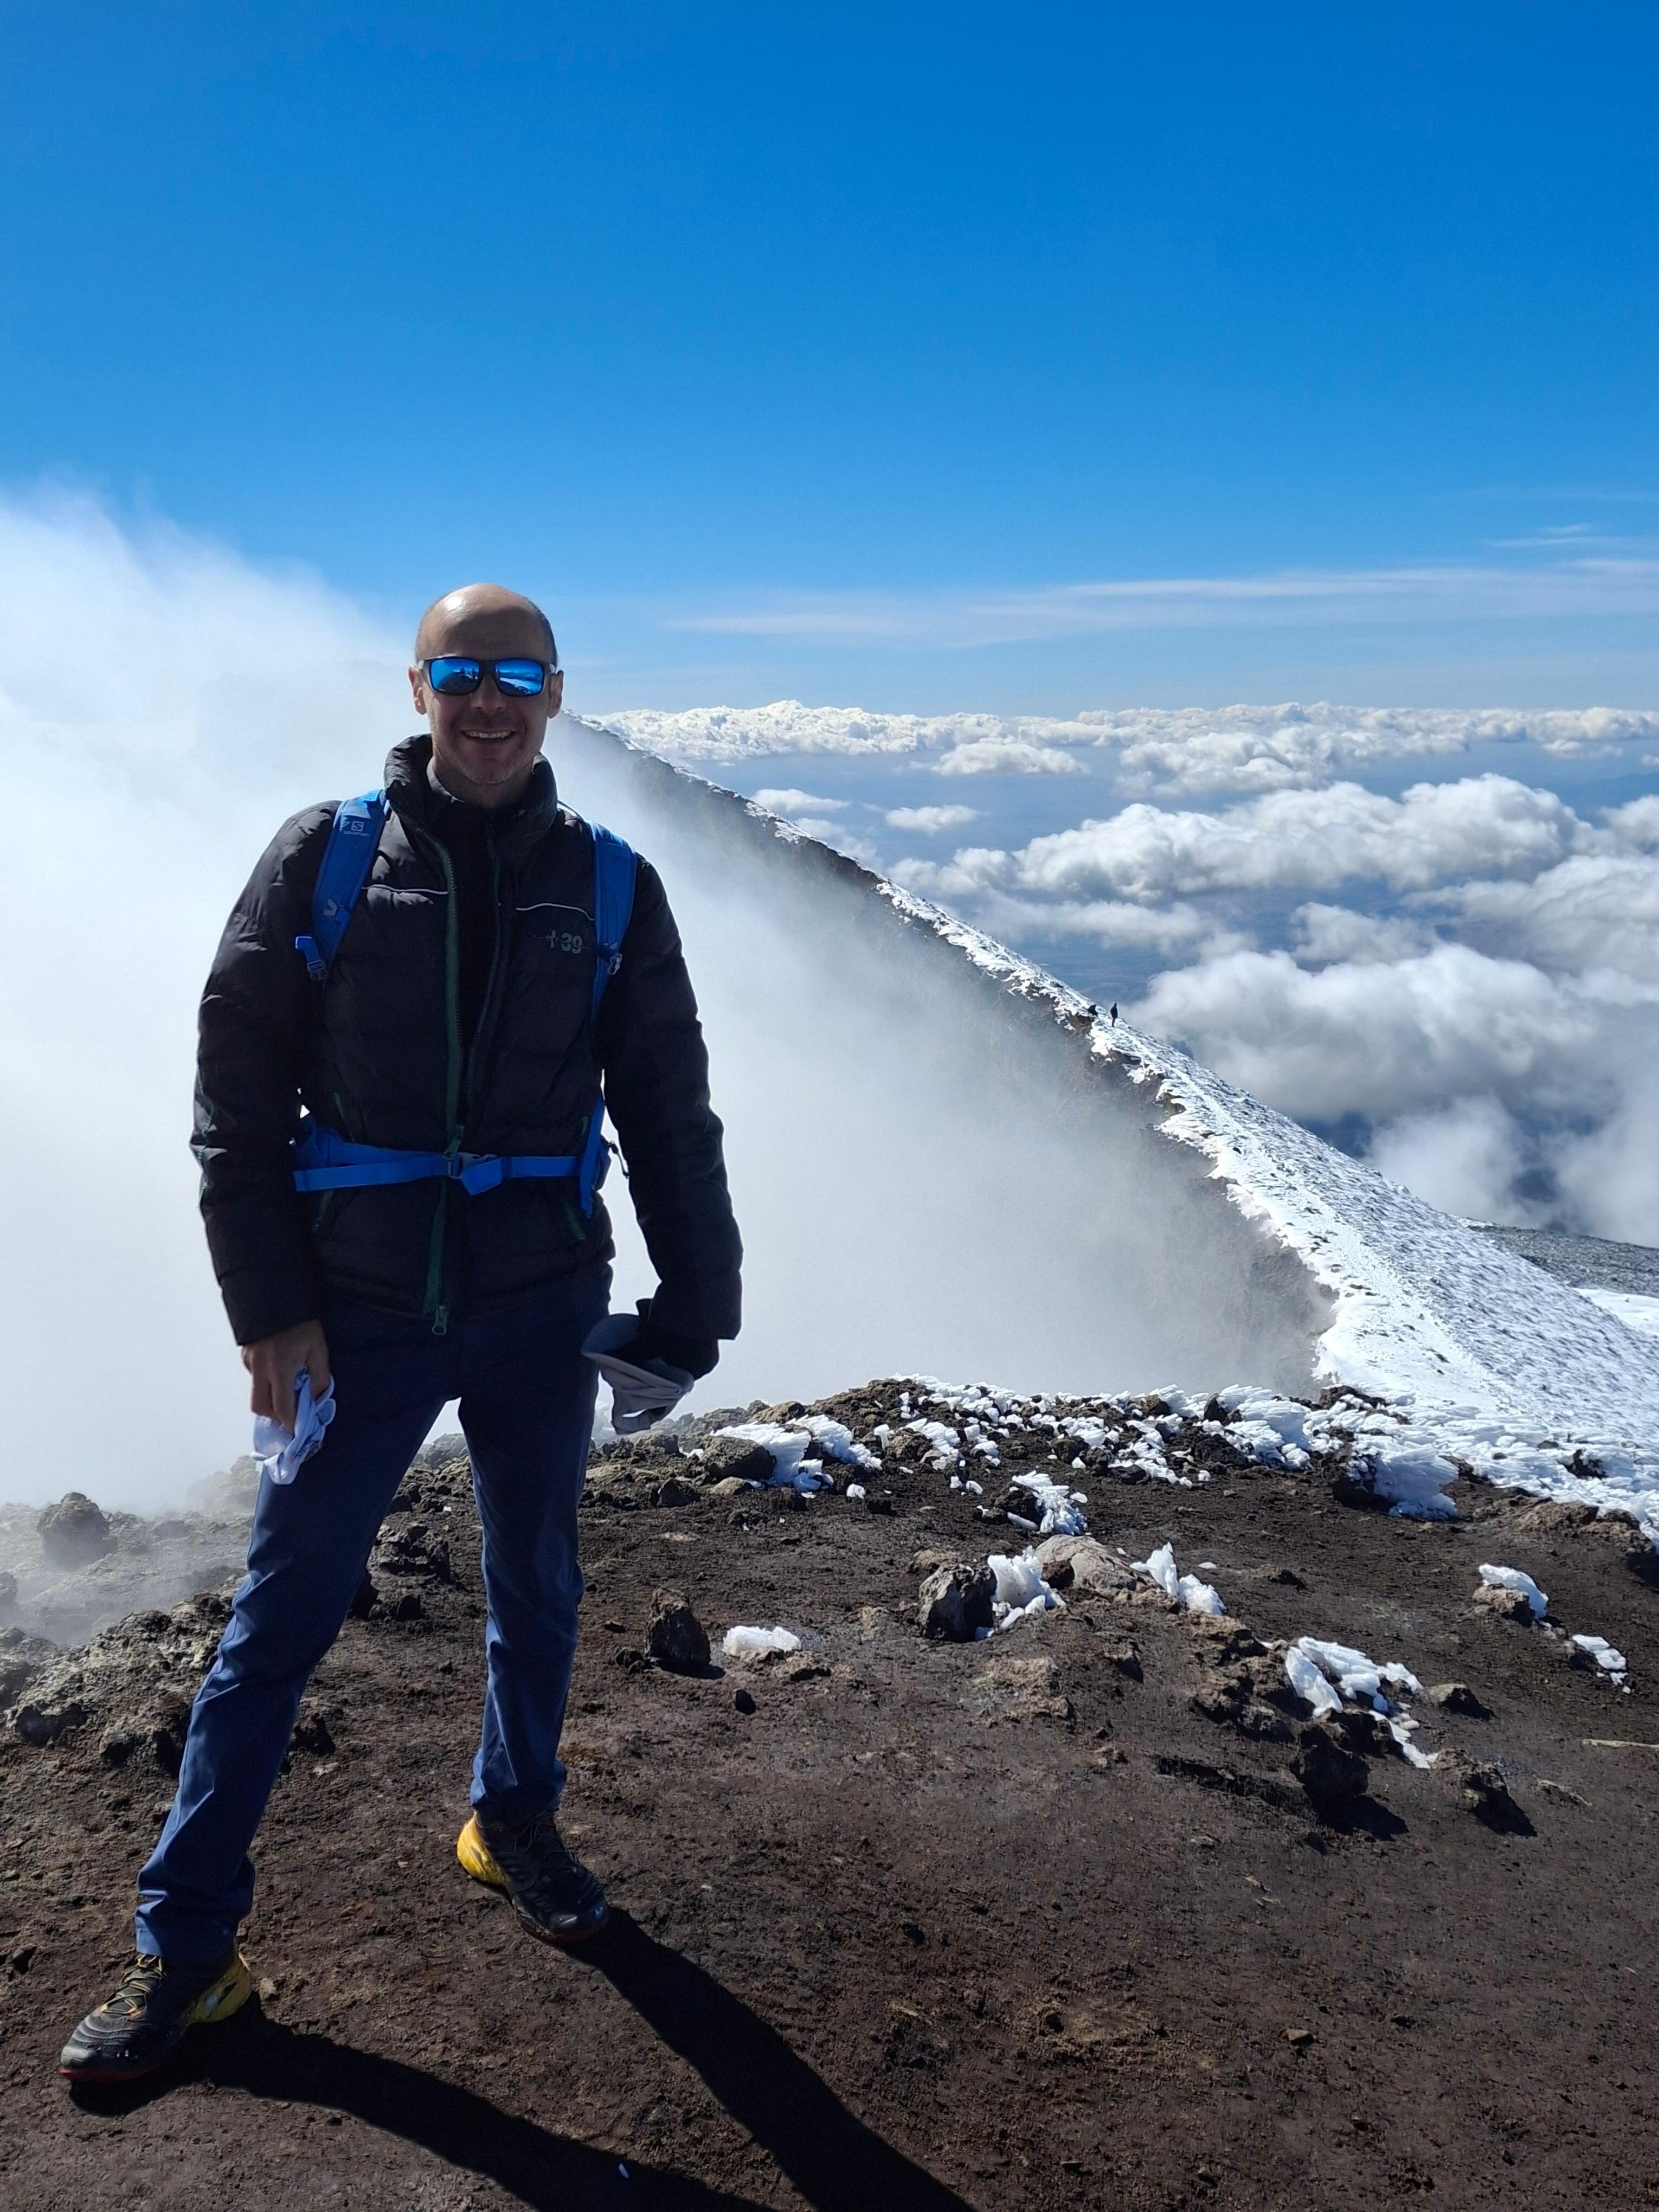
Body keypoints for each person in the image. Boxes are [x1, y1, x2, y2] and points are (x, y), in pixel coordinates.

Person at [59, 585, 742, 2082]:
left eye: (517, 674)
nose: (487, 700)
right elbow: (234, 1104)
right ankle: (185, 1956)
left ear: (557, 696)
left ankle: (513, 1824)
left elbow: (667, 1109)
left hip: (541, 1307)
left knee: (539, 1587)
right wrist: (270, 1312)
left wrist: (698, 1309)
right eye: (461, 673)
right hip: (353, 1321)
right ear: (419, 685)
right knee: (274, 1628)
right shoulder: (324, 862)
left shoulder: (611, 888)